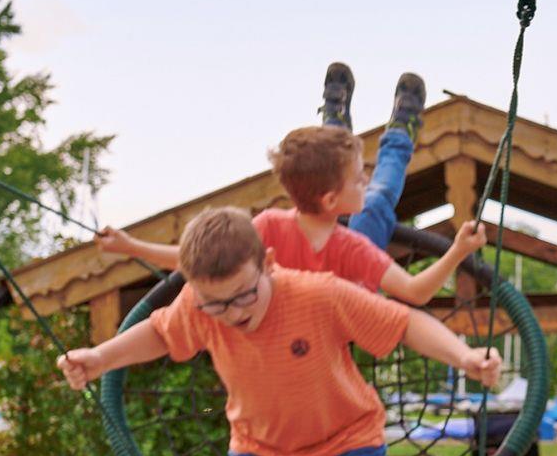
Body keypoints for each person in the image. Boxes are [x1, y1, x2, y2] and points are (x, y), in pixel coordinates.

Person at [58, 207, 502, 456]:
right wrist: (100, 358)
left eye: (242, 296)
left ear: (268, 263)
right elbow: (159, 332)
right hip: (262, 451)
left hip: (344, 444)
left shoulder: (317, 294)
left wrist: (463, 357)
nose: (231, 313)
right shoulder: (198, 306)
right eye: (215, 303)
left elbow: (404, 323)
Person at [95, 65, 484, 304]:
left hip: (344, 296)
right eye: (357, 178)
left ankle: (350, 126)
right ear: (330, 200)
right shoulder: (272, 228)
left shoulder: (352, 248)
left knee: (372, 197)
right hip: (312, 316)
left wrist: (458, 250)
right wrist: (131, 247)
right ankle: (383, 131)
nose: (363, 178)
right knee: (377, 198)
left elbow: (413, 291)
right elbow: (200, 258)